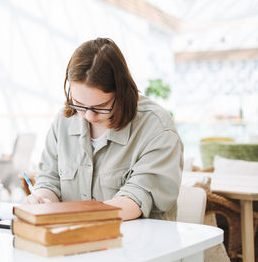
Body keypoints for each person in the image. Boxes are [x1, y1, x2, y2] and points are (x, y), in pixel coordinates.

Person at [23, 38, 183, 221]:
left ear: (122, 92)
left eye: (100, 106)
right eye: (79, 104)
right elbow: (49, 180)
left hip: (139, 244)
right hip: (75, 242)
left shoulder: (156, 128)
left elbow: (135, 199)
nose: (89, 117)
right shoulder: (64, 121)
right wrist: (42, 200)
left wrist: (76, 216)